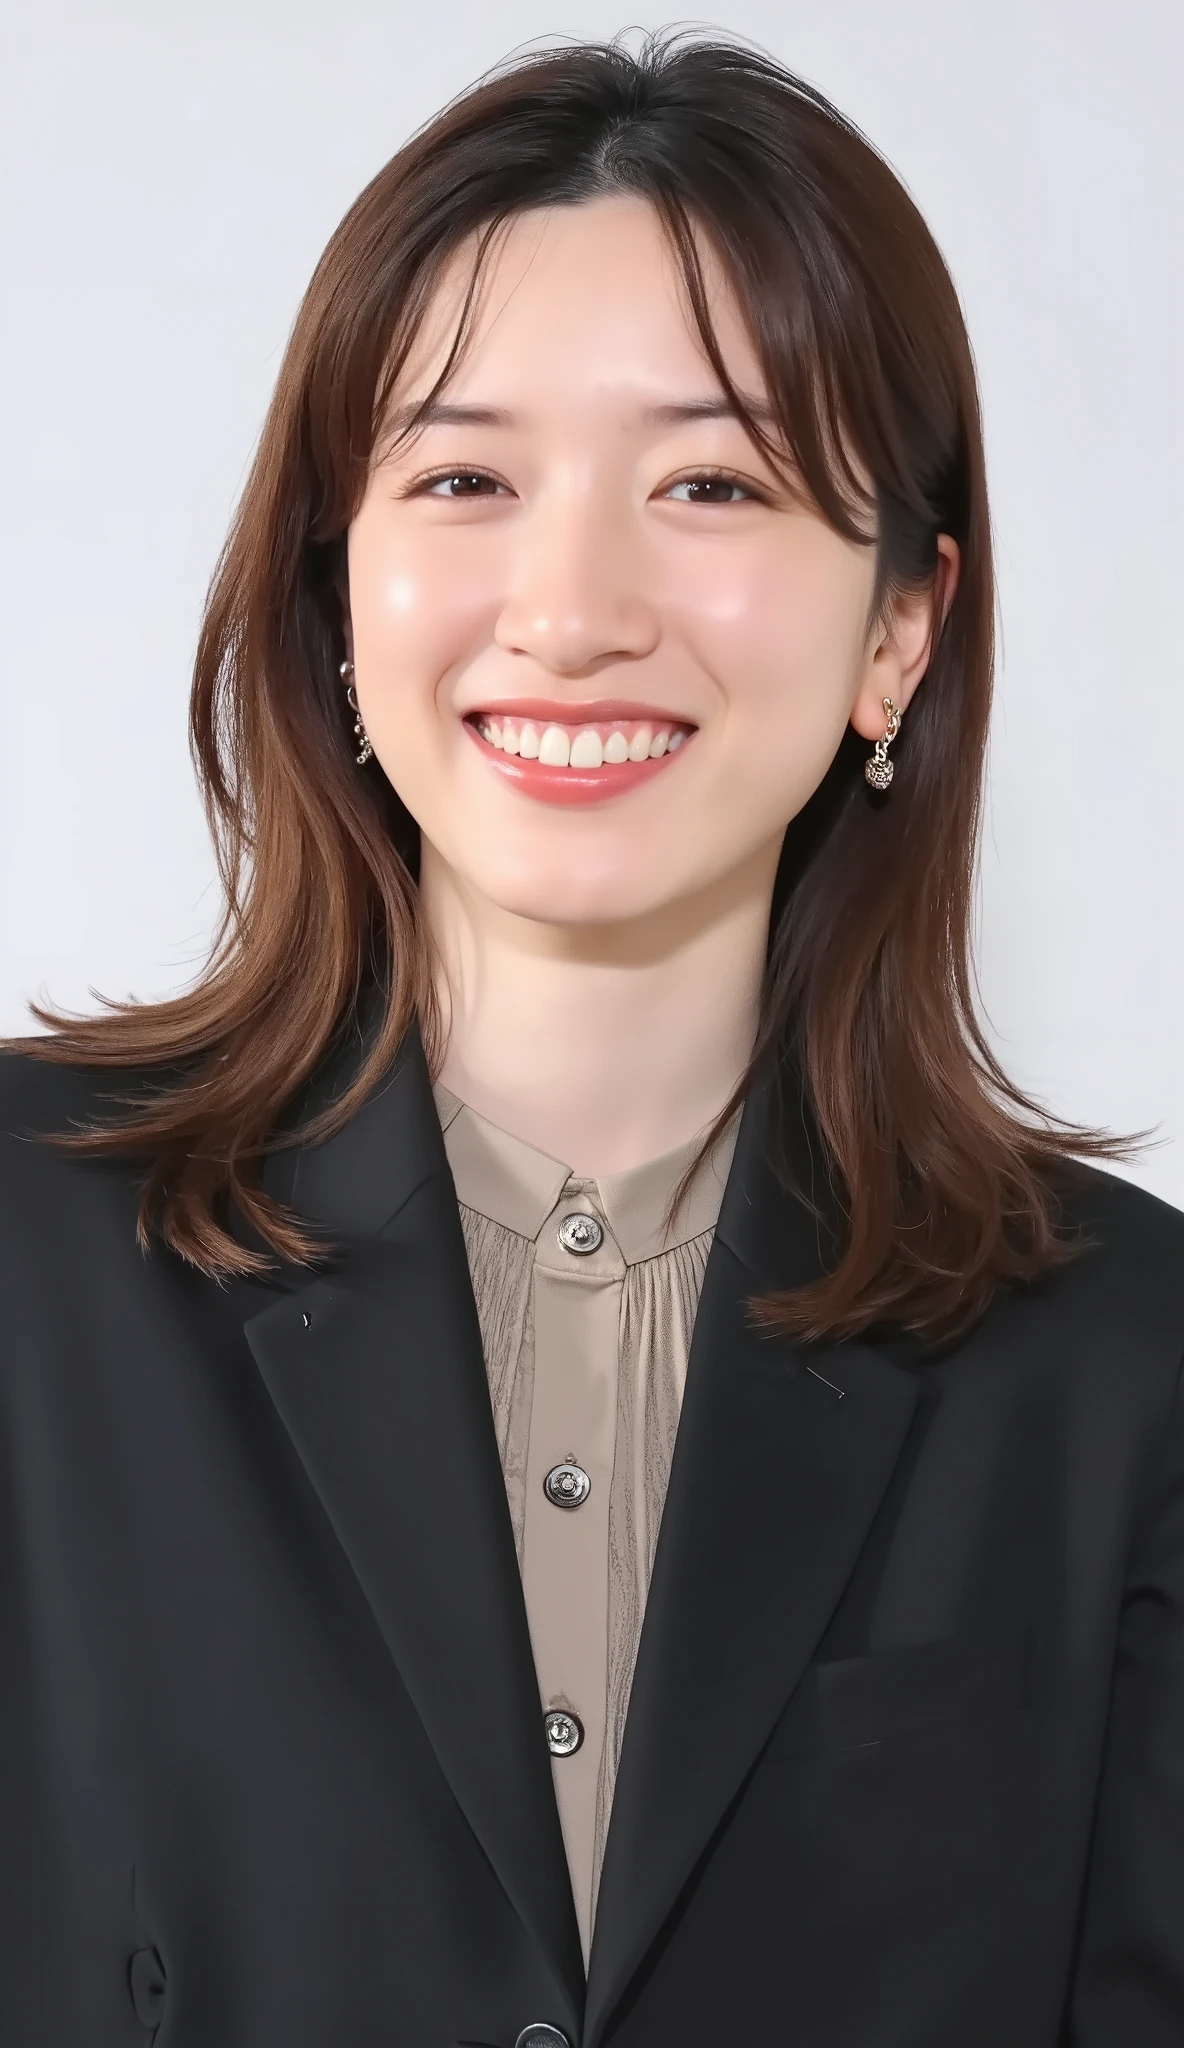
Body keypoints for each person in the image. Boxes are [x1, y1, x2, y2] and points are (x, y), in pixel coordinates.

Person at [1, 29, 1181, 2048]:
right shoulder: (24, 1267)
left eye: (709, 482)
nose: (570, 605)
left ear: (900, 624)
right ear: (339, 588)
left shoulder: (1122, 1361)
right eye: (465, 477)